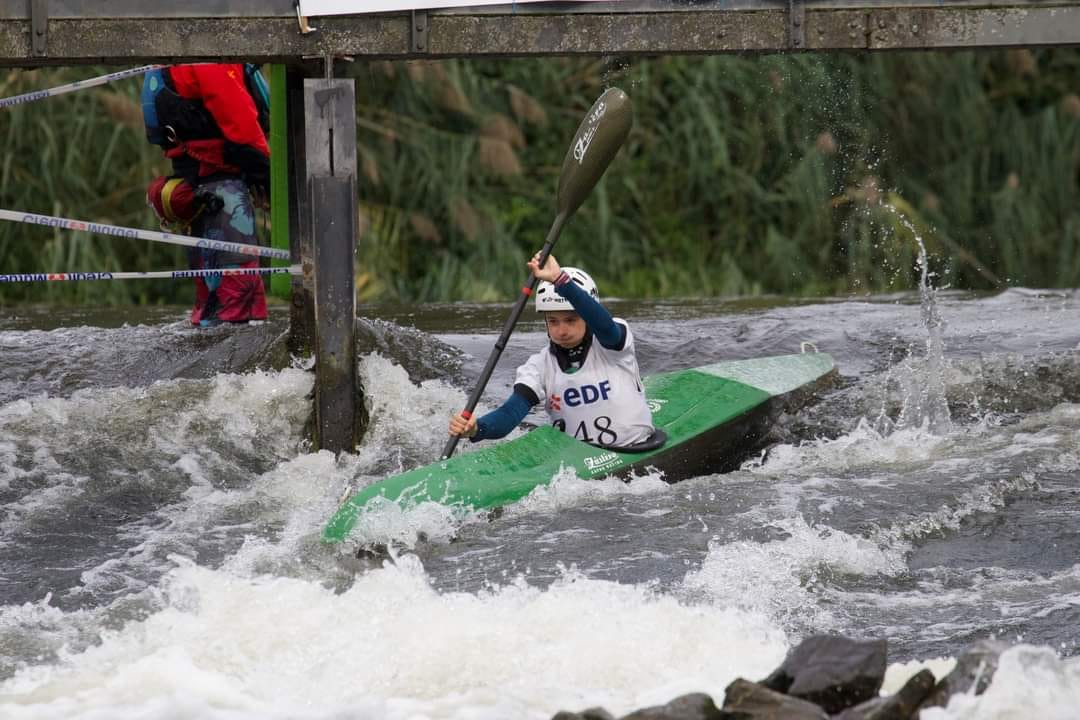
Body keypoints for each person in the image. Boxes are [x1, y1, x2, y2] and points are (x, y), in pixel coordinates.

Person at [449, 253, 657, 450]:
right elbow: (510, 413)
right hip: (578, 466)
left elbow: (605, 327)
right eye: (553, 321)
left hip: (636, 447)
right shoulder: (538, 366)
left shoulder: (613, 342)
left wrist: (561, 281)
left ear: (587, 315)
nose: (561, 331)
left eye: (570, 320)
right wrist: (477, 428)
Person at [142, 63, 271, 326]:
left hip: (197, 190)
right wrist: (266, 173)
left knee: (210, 307)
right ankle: (238, 367)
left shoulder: (175, 55)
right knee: (237, 309)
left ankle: (213, 361)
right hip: (223, 197)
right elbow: (239, 119)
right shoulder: (208, 56)